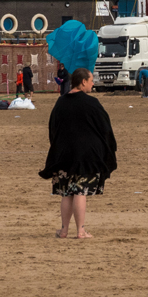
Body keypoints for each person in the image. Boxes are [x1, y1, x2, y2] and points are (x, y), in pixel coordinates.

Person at [39, 68, 118, 239]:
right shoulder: (92, 103)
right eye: (91, 80)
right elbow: (105, 129)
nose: (93, 83)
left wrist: (57, 147)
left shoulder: (60, 102)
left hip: (64, 154)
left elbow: (53, 128)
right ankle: (80, 230)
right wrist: (107, 150)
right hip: (87, 155)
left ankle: (64, 230)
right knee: (80, 191)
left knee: (66, 192)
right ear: (83, 82)